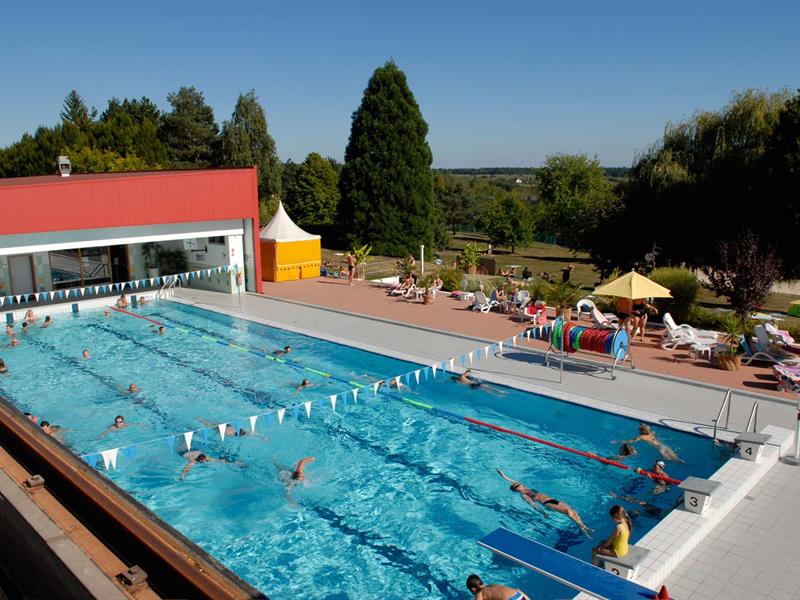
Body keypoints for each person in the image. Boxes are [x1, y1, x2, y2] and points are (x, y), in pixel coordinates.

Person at [497, 469, 593, 537]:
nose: (519, 484)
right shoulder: (524, 495)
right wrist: (543, 513)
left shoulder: (525, 488)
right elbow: (533, 505)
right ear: (517, 490)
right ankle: (583, 526)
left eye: (518, 484)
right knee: (568, 511)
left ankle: (582, 526)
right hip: (547, 503)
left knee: (572, 511)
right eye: (517, 486)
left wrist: (503, 475)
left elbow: (512, 480)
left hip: (551, 499)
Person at [615, 423, 682, 462]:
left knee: (667, 458)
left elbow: (630, 441)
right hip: (663, 445)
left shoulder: (641, 437)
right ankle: (682, 463)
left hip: (659, 448)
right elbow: (653, 431)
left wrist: (618, 441)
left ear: (641, 431)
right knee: (676, 458)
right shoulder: (651, 433)